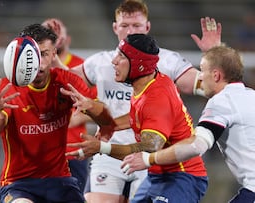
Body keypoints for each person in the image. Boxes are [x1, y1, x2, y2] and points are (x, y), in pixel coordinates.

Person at [67, 0, 221, 202]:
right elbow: (133, 118)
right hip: (148, 167)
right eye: (124, 26)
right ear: (115, 27)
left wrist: (214, 55)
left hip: (172, 171)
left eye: (136, 26)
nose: (114, 61)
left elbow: (150, 145)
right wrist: (100, 117)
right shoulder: (141, 84)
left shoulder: (157, 91)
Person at [121, 45, 255, 203]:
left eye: (202, 70)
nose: (199, 77)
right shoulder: (250, 96)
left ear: (216, 75)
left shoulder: (222, 102)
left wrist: (149, 159)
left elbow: (196, 146)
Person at [0, 23, 95, 203]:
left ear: (54, 53)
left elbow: (99, 110)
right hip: (18, 184)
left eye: (44, 54)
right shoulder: (7, 89)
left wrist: (102, 138)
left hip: (60, 180)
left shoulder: (64, 81)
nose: (39, 62)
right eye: (34, 55)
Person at [42, 18, 97, 193]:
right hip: (42, 150)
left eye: (57, 33)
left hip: (73, 150)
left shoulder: (83, 68)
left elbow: (98, 108)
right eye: (48, 33)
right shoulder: (33, 69)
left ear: (67, 39)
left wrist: (76, 117)